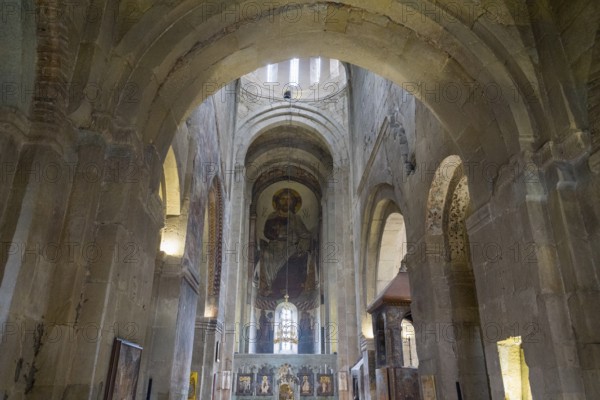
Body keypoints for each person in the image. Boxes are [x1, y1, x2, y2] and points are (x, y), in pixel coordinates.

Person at [259, 189, 313, 296]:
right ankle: (269, 285)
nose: (286, 201)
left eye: (289, 199)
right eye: (283, 199)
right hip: (275, 245)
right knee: (265, 254)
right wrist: (275, 233)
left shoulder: (296, 218)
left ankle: (297, 288)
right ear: (278, 201)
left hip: (291, 246)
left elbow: (305, 235)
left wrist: (301, 246)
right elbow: (266, 232)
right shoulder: (272, 216)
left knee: (301, 256)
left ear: (293, 202)